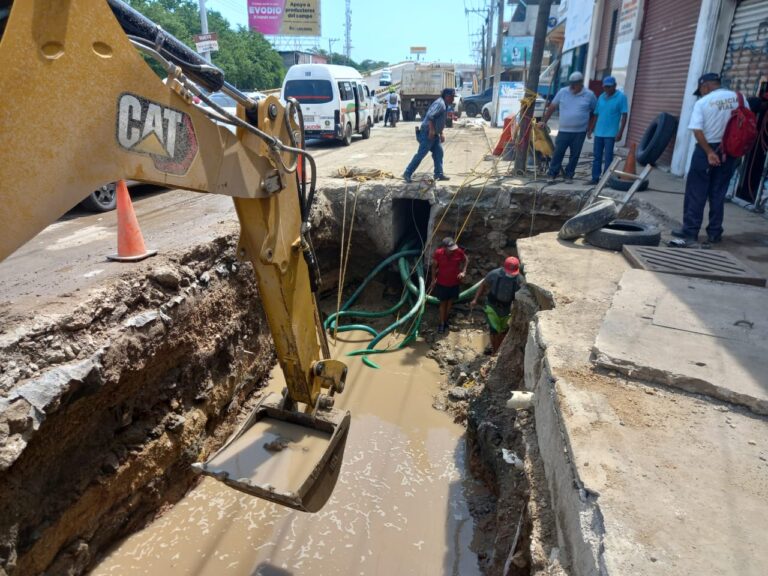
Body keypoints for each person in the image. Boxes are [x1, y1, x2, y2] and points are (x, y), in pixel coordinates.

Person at [671, 73, 739, 248]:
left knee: (696, 192)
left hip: (706, 149)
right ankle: (715, 233)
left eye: (701, 90)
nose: (701, 93)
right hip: (730, 150)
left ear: (705, 86)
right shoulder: (739, 98)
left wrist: (709, 152)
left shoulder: (703, 103)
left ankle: (690, 231)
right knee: (718, 192)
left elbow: (697, 130)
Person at [539, 72, 597, 185]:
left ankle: (569, 175)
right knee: (558, 153)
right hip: (564, 131)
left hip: (580, 132)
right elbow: (552, 107)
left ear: (581, 83)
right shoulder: (563, 92)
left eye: (575, 84)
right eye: (571, 84)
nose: (572, 86)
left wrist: (590, 128)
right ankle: (552, 173)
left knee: (575, 155)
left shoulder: (589, 95)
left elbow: (595, 112)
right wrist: (544, 121)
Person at [470, 256, 522, 355]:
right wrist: (475, 299)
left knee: (503, 331)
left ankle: (499, 349)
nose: (510, 274)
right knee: (494, 330)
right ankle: (494, 351)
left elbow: (521, 296)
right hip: (492, 306)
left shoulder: (519, 279)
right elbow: (483, 285)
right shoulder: (494, 274)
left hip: (506, 308)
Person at [403, 88, 455, 183]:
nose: (453, 99)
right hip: (428, 132)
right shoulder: (440, 104)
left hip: (435, 133)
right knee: (421, 154)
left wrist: (441, 133)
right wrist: (431, 131)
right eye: (452, 97)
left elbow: (439, 120)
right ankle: (407, 173)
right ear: (447, 96)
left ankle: (438, 174)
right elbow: (431, 116)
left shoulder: (445, 104)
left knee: (438, 152)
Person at [587, 76, 628, 184]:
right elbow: (596, 114)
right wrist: (591, 129)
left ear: (614, 86)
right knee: (597, 157)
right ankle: (595, 178)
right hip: (599, 132)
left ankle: (606, 180)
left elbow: (624, 116)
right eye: (605, 87)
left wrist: (620, 133)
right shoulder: (601, 97)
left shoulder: (621, 97)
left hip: (611, 134)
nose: (607, 89)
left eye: (609, 87)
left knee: (608, 157)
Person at [430, 237, 468, 334]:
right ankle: (442, 323)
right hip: (442, 283)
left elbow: (466, 260)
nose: (452, 251)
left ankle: (445, 320)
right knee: (443, 303)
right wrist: (433, 279)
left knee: (450, 303)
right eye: (450, 249)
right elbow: (433, 267)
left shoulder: (458, 252)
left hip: (454, 283)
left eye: (453, 248)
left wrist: (463, 272)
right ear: (444, 248)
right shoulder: (438, 253)